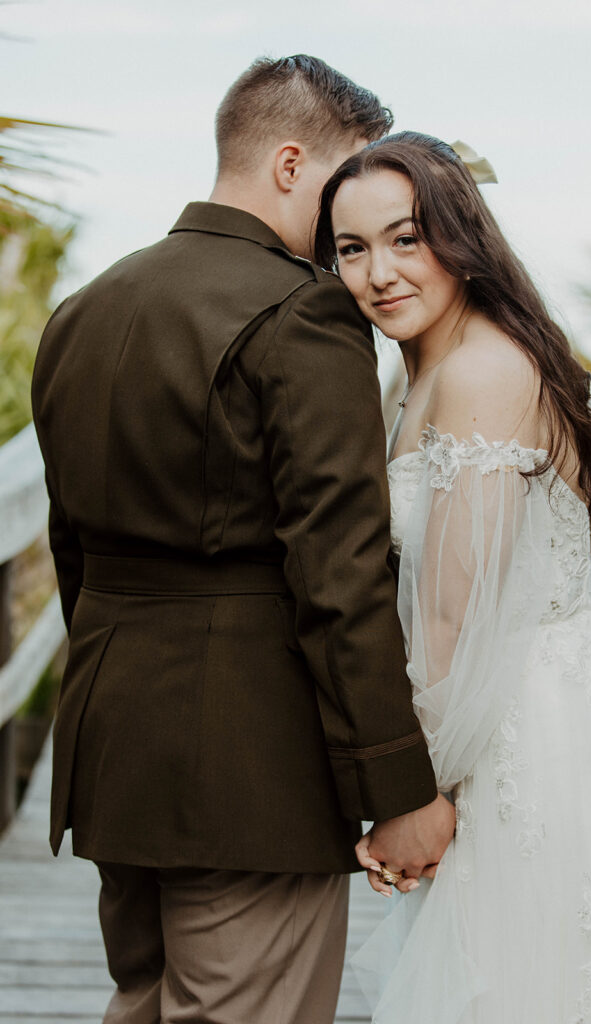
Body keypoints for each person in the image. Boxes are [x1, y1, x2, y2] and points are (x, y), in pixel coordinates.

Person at [31, 63, 457, 1024]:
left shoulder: (85, 310)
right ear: (291, 160)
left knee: (142, 1003)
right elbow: (338, 571)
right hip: (248, 772)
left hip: (113, 748)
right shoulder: (302, 309)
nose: (350, 219)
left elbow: (74, 551)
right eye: (345, 181)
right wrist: (397, 785)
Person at [314, 131, 591, 1024]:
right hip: (518, 700)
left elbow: (450, 613)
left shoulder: (479, 369)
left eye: (407, 238)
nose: (378, 274)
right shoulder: (424, 366)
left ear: (461, 238)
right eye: (352, 249)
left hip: (530, 729)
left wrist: (416, 794)